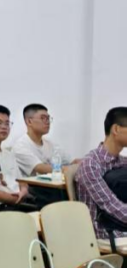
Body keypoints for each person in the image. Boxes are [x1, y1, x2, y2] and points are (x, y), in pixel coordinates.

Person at [77, 107, 127, 241]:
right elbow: (110, 205)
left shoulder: (120, 161)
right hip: (106, 232)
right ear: (116, 129)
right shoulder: (91, 164)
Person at [13, 103, 75, 177]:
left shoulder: (50, 143)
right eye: (43, 118)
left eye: (48, 118)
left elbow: (71, 161)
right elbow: (41, 168)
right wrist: (68, 169)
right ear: (29, 121)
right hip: (33, 184)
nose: (47, 122)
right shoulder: (20, 146)